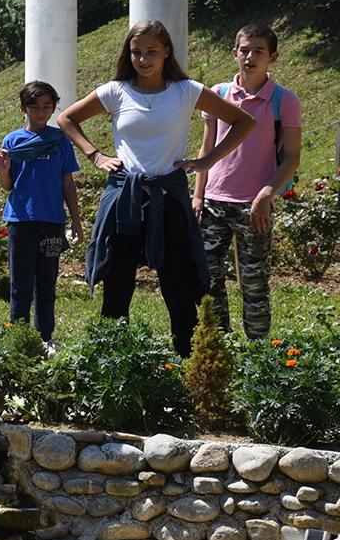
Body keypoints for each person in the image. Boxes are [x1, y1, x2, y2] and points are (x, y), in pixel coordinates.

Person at [58, 21, 254, 356]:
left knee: (177, 284)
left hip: (169, 195)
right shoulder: (115, 91)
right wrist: (95, 155)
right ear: (128, 54)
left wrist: (207, 161)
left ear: (166, 51)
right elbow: (66, 119)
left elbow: (243, 122)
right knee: (117, 284)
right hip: (125, 196)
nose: (143, 59)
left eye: (151, 51)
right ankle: (112, 362)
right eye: (136, 52)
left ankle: (189, 362)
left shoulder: (186, 90)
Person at [194, 23, 302, 340]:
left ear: (273, 57)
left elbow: (292, 156)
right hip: (213, 203)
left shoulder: (284, 100)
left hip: (255, 207)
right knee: (207, 280)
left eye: (258, 51)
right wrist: (198, 194)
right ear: (234, 53)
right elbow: (207, 147)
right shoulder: (220, 94)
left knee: (254, 284)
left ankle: (257, 355)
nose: (250, 57)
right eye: (244, 50)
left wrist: (267, 193)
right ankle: (220, 345)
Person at [0, 81, 83, 346]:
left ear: (54, 107)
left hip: (52, 220)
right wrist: (2, 170)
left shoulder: (60, 140)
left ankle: (45, 337)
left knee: (46, 281)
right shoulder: (12, 140)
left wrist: (76, 220)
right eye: (35, 107)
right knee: (20, 283)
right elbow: (8, 185)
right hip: (21, 219)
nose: (41, 112)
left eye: (47, 106)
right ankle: (17, 338)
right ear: (23, 108)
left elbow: (67, 182)